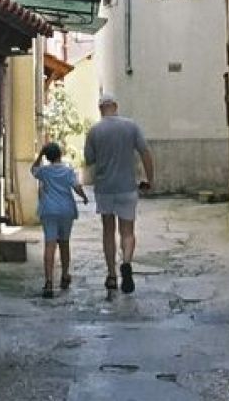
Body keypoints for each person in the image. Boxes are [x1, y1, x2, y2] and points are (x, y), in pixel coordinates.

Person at [83, 92, 154, 293]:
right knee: (128, 231)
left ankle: (112, 275)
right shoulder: (131, 126)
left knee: (108, 231)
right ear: (115, 105)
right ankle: (127, 262)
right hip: (127, 187)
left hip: (105, 189)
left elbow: (89, 160)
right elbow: (145, 152)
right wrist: (150, 179)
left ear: (100, 109)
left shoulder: (94, 131)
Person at [31, 141, 89, 298]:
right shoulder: (68, 171)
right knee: (64, 243)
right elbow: (76, 186)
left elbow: (33, 170)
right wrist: (83, 197)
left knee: (50, 245)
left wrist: (41, 154)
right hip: (66, 210)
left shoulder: (44, 171)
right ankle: (64, 275)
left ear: (47, 157)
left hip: (49, 210)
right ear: (60, 154)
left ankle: (49, 282)